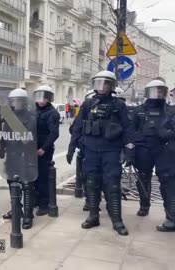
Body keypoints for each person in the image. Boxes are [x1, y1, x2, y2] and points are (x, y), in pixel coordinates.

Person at [68, 71, 134, 236]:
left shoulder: (118, 105)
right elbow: (77, 126)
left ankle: (117, 220)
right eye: (98, 83)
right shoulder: (88, 104)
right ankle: (93, 215)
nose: (101, 86)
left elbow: (128, 129)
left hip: (111, 151)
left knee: (112, 184)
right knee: (91, 182)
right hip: (91, 150)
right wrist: (71, 146)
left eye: (105, 83)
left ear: (111, 86)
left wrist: (129, 150)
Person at [0, 89, 38, 229]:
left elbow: (26, 138)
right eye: (13, 100)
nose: (16, 103)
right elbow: (4, 134)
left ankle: (28, 216)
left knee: (27, 186)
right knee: (12, 184)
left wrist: (9, 118)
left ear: (24, 102)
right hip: (12, 156)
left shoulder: (31, 117)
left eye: (19, 100)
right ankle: (16, 209)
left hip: (25, 156)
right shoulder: (9, 117)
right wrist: (1, 148)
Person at [131, 80, 170, 217]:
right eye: (155, 90)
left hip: (163, 150)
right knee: (143, 177)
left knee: (167, 179)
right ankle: (144, 205)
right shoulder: (139, 110)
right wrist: (130, 150)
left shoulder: (169, 111)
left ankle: (170, 211)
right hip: (143, 149)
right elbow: (130, 132)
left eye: (161, 91)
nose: (158, 94)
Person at [33, 85, 60, 216]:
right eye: (39, 97)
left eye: (44, 97)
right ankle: (36, 200)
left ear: (49, 99)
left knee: (43, 177)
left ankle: (45, 204)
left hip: (44, 149)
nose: (41, 100)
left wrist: (44, 148)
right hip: (31, 148)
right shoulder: (33, 110)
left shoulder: (52, 113)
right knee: (33, 177)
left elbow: (54, 133)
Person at [158, 109, 175, 231]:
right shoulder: (171, 113)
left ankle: (172, 220)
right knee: (168, 187)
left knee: (171, 188)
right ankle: (171, 218)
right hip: (170, 155)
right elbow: (162, 133)